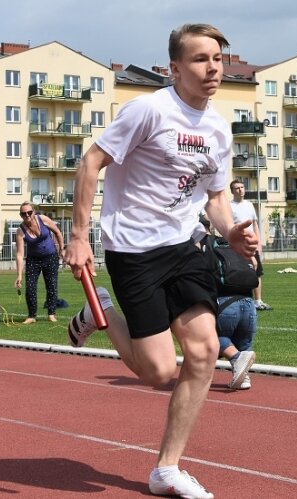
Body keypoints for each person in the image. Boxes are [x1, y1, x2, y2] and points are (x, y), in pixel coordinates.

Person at [65, 23, 257, 499]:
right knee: (157, 373)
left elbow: (214, 197)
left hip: (185, 245)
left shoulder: (218, 127)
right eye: (199, 59)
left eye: (218, 58)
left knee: (204, 351)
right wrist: (79, 236)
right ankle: (102, 311)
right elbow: (90, 163)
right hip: (133, 250)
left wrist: (230, 231)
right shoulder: (148, 111)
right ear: (175, 67)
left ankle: (166, 469)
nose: (212, 67)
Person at [198, 214, 257, 390]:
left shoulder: (203, 244)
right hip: (249, 303)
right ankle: (243, 377)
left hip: (224, 302)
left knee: (210, 338)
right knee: (244, 345)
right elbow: (255, 265)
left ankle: (236, 360)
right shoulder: (234, 243)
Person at [14, 201, 64, 324]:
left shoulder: (43, 219)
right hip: (33, 260)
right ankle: (31, 316)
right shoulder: (20, 231)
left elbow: (57, 232)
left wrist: (61, 250)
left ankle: (51, 314)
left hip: (51, 257)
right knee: (30, 288)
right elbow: (20, 254)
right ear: (21, 215)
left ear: (33, 212)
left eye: (29, 212)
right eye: (23, 214)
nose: (27, 215)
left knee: (51, 286)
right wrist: (19, 275)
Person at [229, 179, 272, 310]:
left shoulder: (249, 205)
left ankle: (258, 301)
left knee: (257, 272)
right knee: (239, 273)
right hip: (238, 246)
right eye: (237, 188)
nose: (240, 190)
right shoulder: (229, 206)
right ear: (232, 191)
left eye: (242, 187)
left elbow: (255, 225)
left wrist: (259, 244)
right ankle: (239, 301)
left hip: (252, 245)